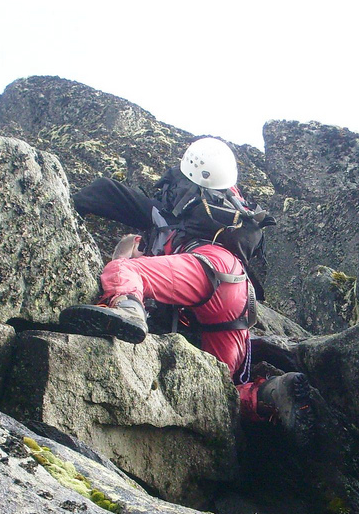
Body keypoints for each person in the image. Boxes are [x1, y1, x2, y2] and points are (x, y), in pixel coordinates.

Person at [59, 137, 314, 445]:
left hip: (202, 271)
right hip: (234, 293)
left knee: (125, 269)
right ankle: (269, 393)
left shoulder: (172, 207)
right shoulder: (236, 212)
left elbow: (107, 192)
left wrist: (66, 206)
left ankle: (127, 310)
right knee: (221, 385)